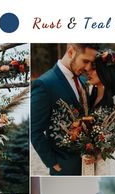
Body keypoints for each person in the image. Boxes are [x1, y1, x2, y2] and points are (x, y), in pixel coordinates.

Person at [31, 43, 100, 175]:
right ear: (71, 52)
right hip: (64, 167)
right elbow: (35, 131)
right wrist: (52, 162)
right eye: (85, 61)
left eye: (91, 63)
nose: (87, 67)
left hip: (89, 165)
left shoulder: (83, 81)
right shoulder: (45, 84)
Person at [87, 49, 115, 175]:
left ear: (105, 71)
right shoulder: (91, 96)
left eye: (94, 69)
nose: (89, 72)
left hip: (106, 162)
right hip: (88, 160)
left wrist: (100, 155)